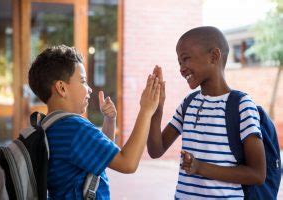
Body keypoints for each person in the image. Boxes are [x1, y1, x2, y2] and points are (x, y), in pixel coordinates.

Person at [147, 26, 266, 199]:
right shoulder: (188, 103)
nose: (181, 68)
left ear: (214, 56)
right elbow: (156, 151)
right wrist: (157, 108)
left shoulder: (241, 105)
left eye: (186, 59)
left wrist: (200, 167)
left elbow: (257, 174)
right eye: (179, 62)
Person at [28, 45, 160, 199]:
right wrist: (146, 110)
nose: (89, 89)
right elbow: (128, 163)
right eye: (83, 81)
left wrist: (109, 121)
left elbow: (100, 154)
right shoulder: (75, 128)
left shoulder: (49, 127)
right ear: (61, 88)